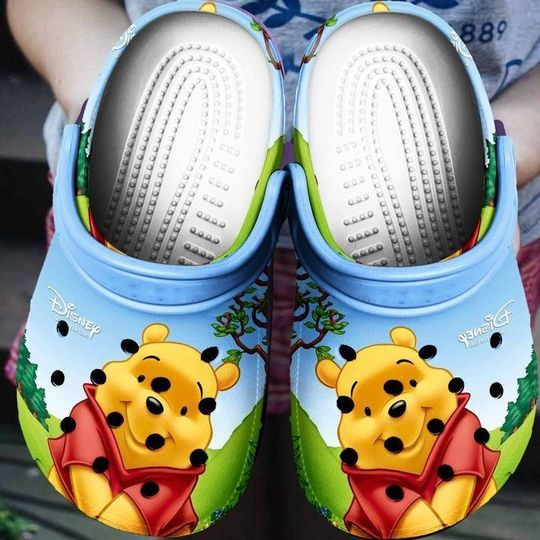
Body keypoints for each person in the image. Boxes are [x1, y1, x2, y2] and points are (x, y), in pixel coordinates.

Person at [6, 0, 540, 414]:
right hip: (147, 202)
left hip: (451, 217)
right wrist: (110, 111)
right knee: (204, 482)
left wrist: (496, 155)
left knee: (353, 488)